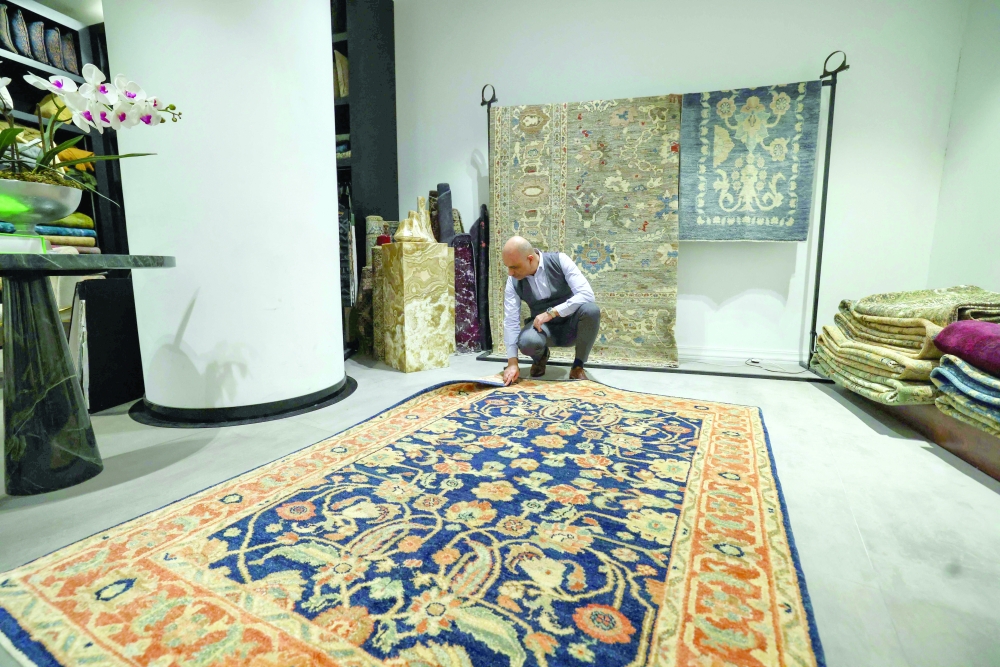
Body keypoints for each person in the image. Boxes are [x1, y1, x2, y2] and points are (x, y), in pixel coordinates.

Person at [500, 236, 600, 385]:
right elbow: (511, 320)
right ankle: (540, 357)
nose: (510, 273)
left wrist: (552, 313)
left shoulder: (560, 260)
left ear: (530, 259)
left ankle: (578, 366)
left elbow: (587, 294)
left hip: (571, 326)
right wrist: (512, 362)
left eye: (514, 267)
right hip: (543, 330)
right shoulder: (513, 281)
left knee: (591, 310)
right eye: (508, 267)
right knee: (527, 342)